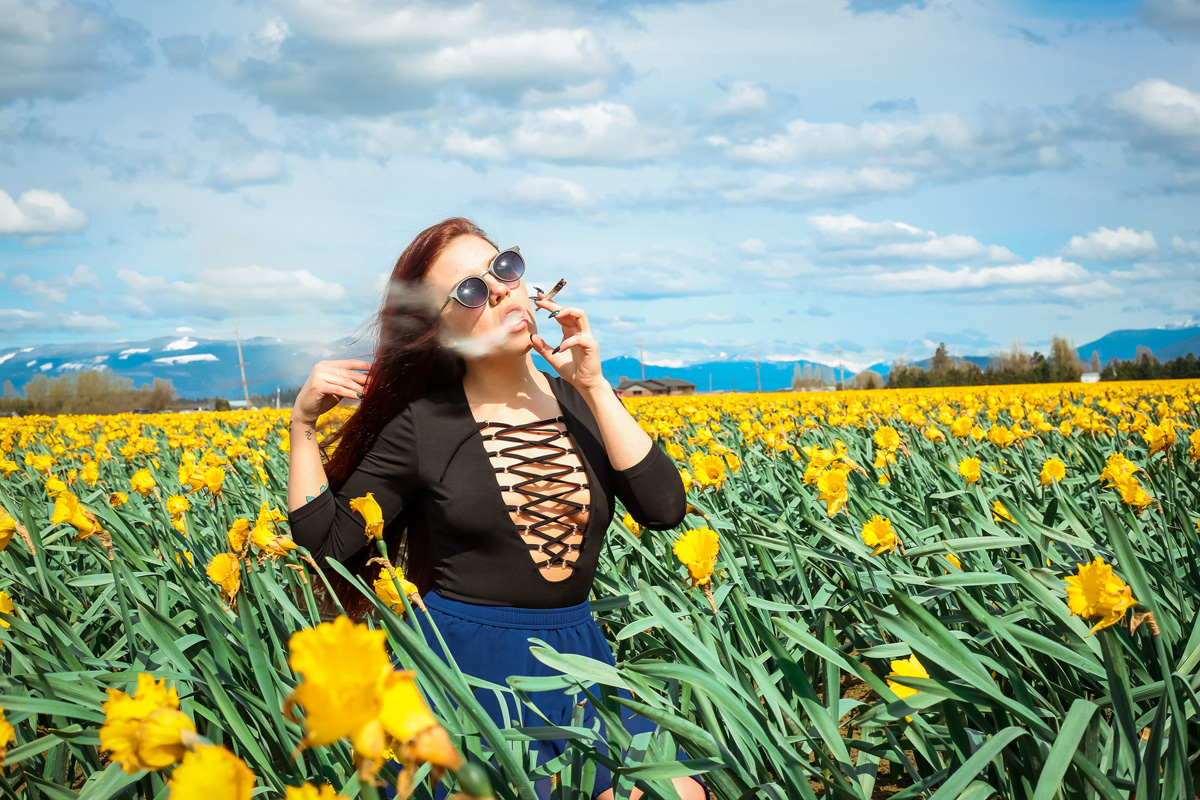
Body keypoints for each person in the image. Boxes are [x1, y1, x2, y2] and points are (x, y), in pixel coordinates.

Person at [286, 218, 710, 800]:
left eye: (504, 268)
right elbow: (328, 542)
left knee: (678, 792)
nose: (503, 289)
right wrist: (303, 426)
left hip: (579, 662)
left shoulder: (578, 401)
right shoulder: (425, 426)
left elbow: (664, 508)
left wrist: (594, 386)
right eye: (471, 290)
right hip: (466, 675)